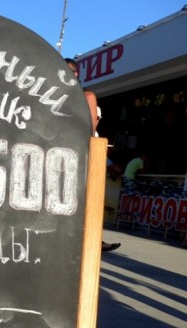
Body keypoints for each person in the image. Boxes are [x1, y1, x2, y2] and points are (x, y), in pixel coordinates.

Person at [65, 58, 120, 253]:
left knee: (87, 199)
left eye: (68, 71)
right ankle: (87, 239)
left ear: (76, 74)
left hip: (85, 151)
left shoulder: (85, 96)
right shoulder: (61, 94)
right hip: (74, 151)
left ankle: (93, 239)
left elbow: (90, 127)